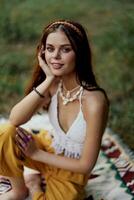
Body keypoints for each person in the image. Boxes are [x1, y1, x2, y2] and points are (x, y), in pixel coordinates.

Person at [0, 19, 109, 200]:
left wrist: (36, 154)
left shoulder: (94, 101)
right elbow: (15, 119)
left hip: (72, 170)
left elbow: (85, 165)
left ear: (79, 53)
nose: (55, 56)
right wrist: (49, 79)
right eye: (50, 48)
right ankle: (19, 190)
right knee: (5, 133)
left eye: (65, 49)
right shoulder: (54, 85)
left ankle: (33, 184)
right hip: (50, 149)